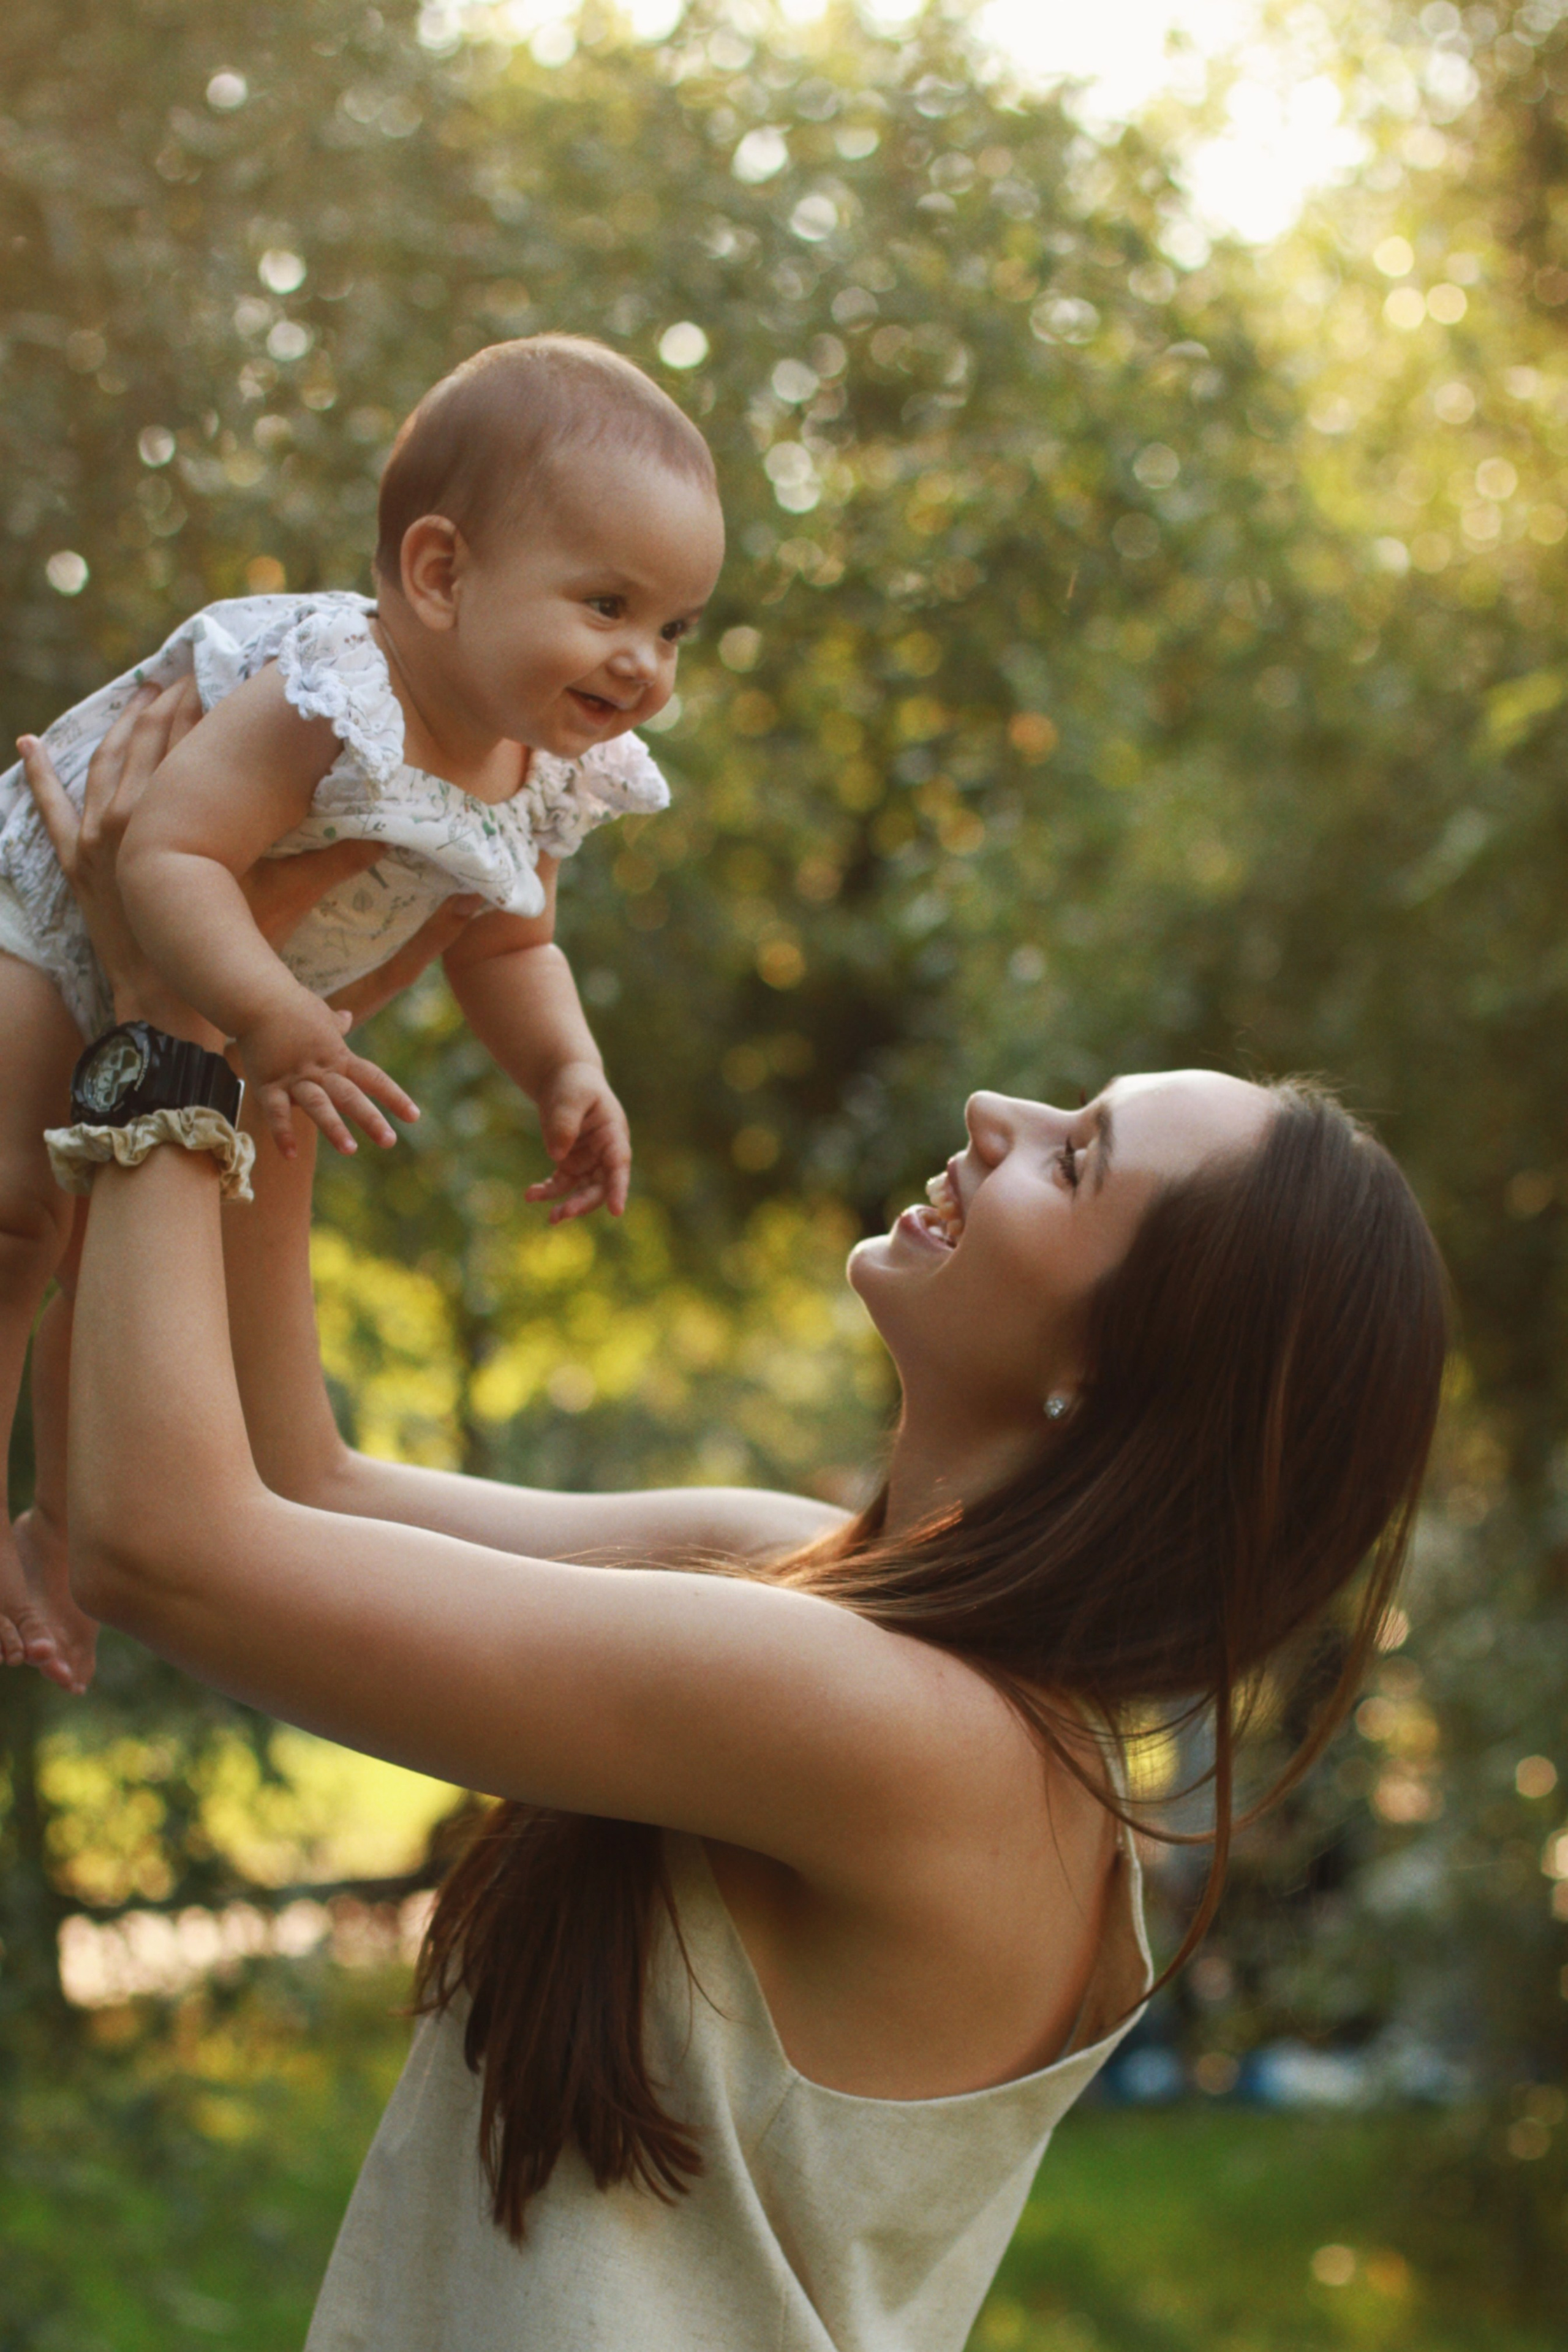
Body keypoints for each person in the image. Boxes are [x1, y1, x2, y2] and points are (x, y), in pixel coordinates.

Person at [24, 700, 1447, 2352]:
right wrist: (285, 1012)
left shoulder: (913, 1737)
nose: (999, 1111)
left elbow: (163, 1544)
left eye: (1078, 1162)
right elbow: (303, 1482)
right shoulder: (824, 1595)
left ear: (1115, 1382)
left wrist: (162, 1017)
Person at [0, 334, 725, 1684]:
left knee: (119, 1260)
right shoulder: (336, 689)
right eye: (608, 604)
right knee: (16, 1218)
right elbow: (162, 854)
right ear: (441, 574)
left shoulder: (543, 760)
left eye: (672, 627)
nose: (642, 663)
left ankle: (58, 1526)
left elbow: (509, 947)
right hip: (55, 926)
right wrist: (274, 1021)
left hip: (240, 1007)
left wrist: (566, 1069)